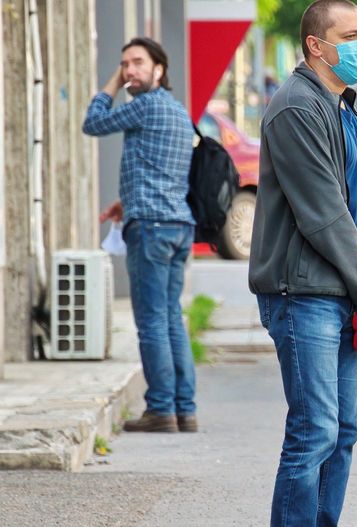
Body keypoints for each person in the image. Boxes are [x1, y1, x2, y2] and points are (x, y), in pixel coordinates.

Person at [247, 1, 357, 525]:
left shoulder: (349, 113)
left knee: (343, 432)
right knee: (314, 431)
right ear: (316, 44)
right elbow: (324, 215)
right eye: (350, 35)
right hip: (303, 295)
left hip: (349, 295)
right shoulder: (295, 108)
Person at [83, 37, 197, 434]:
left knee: (151, 322)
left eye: (136, 63)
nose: (130, 70)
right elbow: (160, 171)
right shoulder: (178, 112)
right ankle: (184, 408)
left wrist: (113, 82)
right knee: (170, 319)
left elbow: (92, 123)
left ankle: (161, 409)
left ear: (159, 69)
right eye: (124, 64)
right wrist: (125, 202)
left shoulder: (144, 106)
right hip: (177, 224)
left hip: (151, 227)